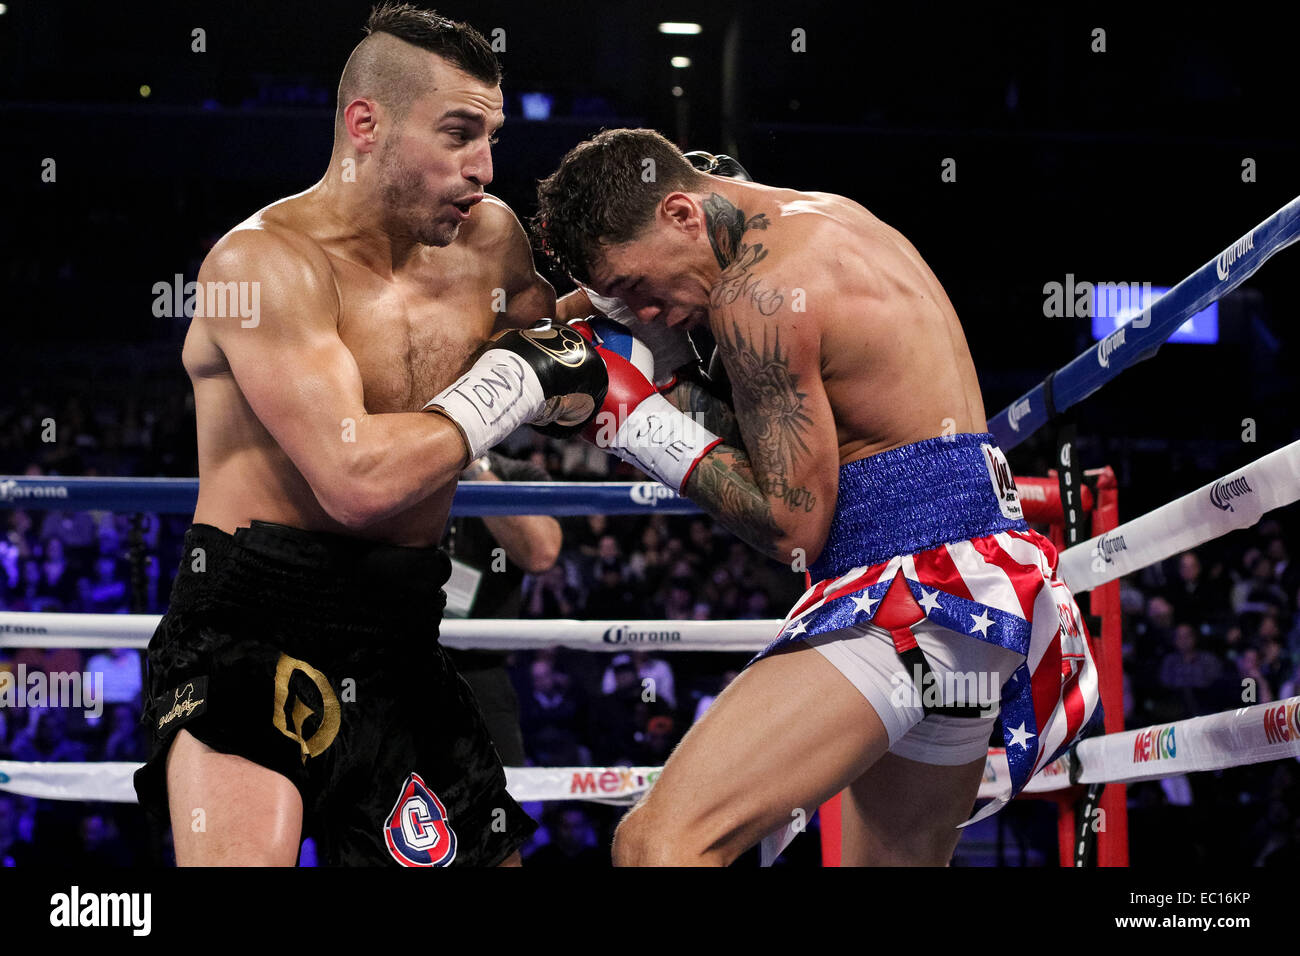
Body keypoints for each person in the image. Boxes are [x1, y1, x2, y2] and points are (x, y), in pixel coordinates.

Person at [533, 127, 1104, 865]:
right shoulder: (823, 218)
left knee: (659, 846)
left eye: (640, 288)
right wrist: (628, 339)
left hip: (911, 593)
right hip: (982, 600)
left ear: (680, 212)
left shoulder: (756, 294)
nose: (645, 313)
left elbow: (792, 528)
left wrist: (633, 418)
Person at [132, 4, 604, 867]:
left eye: (491, 136)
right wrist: (522, 380)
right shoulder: (264, 266)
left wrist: (650, 295)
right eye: (459, 134)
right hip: (252, 625)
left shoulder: (488, 241)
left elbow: (569, 368)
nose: (484, 167)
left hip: (400, 632)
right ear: (365, 125)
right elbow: (353, 482)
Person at [442, 450, 562, 768]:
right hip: (398, 668)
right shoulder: (402, 465)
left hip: (480, 672)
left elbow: (542, 554)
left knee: (500, 802)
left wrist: (474, 468)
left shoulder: (520, 475)